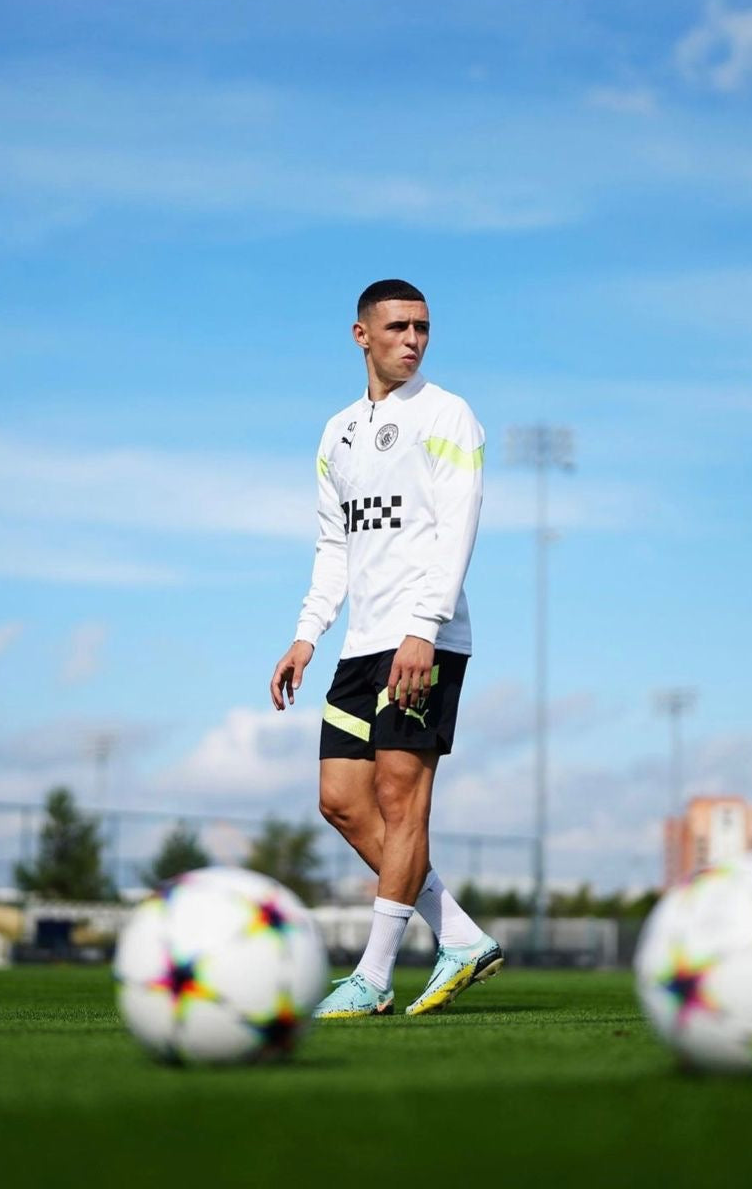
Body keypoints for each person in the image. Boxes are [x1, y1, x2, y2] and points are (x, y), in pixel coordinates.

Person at [269, 278, 502, 1018]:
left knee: (401, 800)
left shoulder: (447, 414)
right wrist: (307, 633)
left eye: (422, 328)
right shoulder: (335, 433)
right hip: (359, 645)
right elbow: (333, 544)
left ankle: (372, 976)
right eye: (398, 327)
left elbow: (459, 526)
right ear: (361, 334)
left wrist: (423, 628)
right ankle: (459, 936)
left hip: (423, 639)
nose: (413, 340)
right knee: (340, 802)